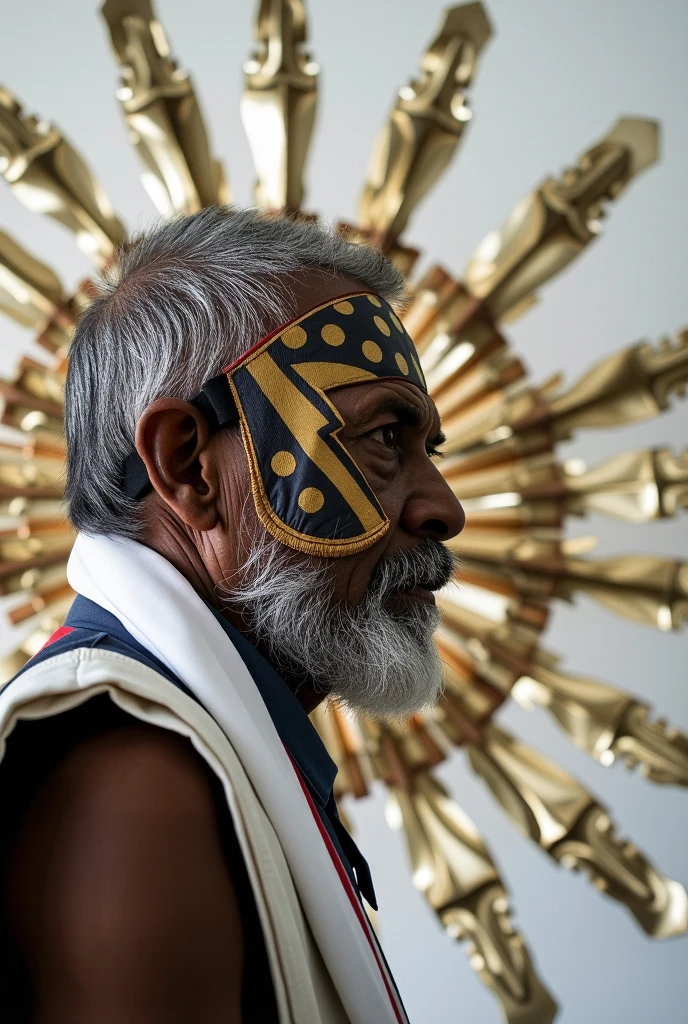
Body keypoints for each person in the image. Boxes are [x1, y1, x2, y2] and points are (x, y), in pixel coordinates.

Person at [0, 206, 465, 1023]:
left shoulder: (196, 753)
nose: (443, 506)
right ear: (188, 467)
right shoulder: (135, 780)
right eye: (385, 435)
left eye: (429, 448)